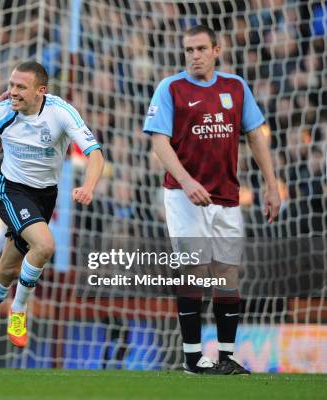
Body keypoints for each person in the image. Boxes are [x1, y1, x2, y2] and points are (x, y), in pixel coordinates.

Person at [143, 25, 280, 375]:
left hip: (227, 196)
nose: (195, 56)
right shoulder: (170, 88)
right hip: (183, 195)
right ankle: (191, 358)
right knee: (194, 269)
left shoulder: (235, 87)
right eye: (189, 50)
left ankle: (225, 357)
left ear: (217, 49)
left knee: (227, 274)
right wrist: (187, 182)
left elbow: (255, 136)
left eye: (201, 48)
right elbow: (159, 142)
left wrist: (271, 184)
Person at [0, 61, 104, 362]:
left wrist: (88, 186)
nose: (12, 92)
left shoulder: (61, 113)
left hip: (45, 196)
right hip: (10, 190)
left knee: (9, 268)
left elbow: (95, 154)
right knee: (45, 245)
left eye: (20, 87)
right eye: (11, 85)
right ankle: (19, 309)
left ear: (41, 91)